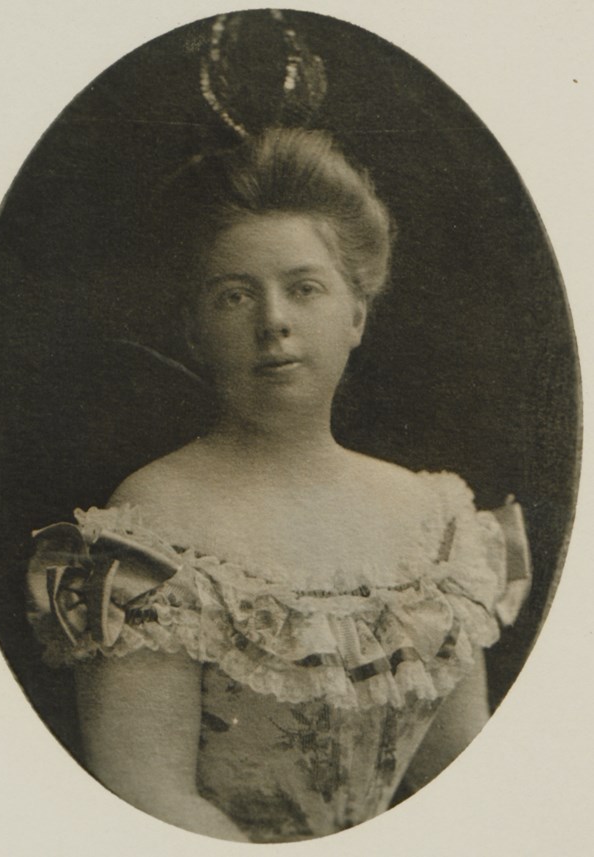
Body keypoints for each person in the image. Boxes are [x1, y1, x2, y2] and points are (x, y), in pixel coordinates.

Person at [27, 128, 531, 843]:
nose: (275, 323)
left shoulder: (435, 519)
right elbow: (145, 790)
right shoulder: (150, 521)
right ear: (196, 329)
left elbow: (460, 766)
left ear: (355, 313)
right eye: (235, 297)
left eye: (304, 288)